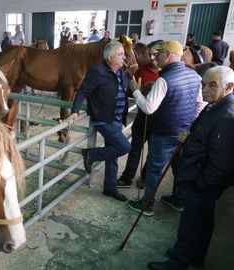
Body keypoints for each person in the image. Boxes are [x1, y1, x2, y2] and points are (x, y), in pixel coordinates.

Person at [147, 66, 234, 270]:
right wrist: (189, 137)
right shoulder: (215, 105)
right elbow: (206, 136)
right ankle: (193, 255)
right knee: (202, 225)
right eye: (203, 84)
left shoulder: (227, 116)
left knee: (190, 226)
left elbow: (221, 164)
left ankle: (177, 264)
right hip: (202, 182)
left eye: (212, 85)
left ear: (229, 86)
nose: (204, 90)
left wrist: (198, 185)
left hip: (204, 186)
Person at [126, 40, 206, 216]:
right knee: (180, 168)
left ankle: (147, 205)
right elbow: (200, 104)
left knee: (154, 169)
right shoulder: (195, 76)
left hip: (164, 133)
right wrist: (190, 124)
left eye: (158, 54)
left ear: (168, 55)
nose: (154, 58)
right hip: (184, 133)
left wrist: (135, 91)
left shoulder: (164, 80)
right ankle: (178, 200)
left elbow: (148, 108)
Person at [68, 41, 131, 202]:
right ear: (109, 57)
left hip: (117, 118)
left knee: (113, 152)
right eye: (120, 54)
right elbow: (83, 91)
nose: (124, 57)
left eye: (123, 54)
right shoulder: (97, 71)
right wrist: (75, 111)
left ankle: (110, 188)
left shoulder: (121, 71)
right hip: (103, 119)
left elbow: (125, 89)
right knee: (124, 146)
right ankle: (91, 154)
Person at [117, 40, 162, 188]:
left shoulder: (167, 74)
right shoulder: (142, 70)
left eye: (155, 54)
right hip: (143, 116)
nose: (152, 58)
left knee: (153, 152)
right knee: (135, 149)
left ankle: (144, 179)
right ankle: (127, 177)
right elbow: (132, 89)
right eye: (149, 55)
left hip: (159, 119)